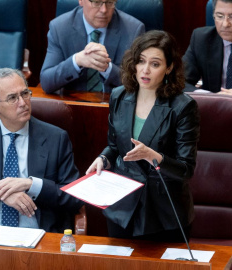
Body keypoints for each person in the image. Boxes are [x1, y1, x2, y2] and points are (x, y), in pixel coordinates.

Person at [86, 30, 200, 242]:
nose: (145, 70)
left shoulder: (183, 107)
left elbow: (186, 169)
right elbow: (114, 146)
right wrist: (103, 158)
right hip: (123, 206)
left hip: (163, 212)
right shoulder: (120, 96)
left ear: (169, 68)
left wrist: (152, 155)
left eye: (155, 64)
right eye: (141, 61)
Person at [0, 68, 83, 232]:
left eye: (25, 93)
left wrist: (31, 185)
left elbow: (74, 197)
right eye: (13, 98)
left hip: (38, 233)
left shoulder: (56, 138)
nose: (23, 102)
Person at [40, 0, 145, 94]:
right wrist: (76, 61)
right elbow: (46, 82)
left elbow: (137, 83)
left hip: (114, 107)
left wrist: (106, 67)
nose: (104, 10)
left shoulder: (133, 30)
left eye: (109, 2)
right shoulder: (60, 28)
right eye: (96, 2)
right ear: (81, 1)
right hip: (73, 107)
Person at [183, 0, 232, 95]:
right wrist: (210, 97)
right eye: (220, 16)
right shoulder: (201, 39)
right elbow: (180, 82)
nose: (225, 24)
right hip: (213, 107)